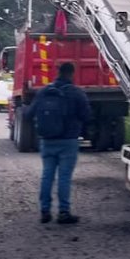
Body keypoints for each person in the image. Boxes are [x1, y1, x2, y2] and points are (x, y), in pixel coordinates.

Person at [27, 62, 92, 224]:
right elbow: (87, 116)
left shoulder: (44, 92)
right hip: (68, 141)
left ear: (58, 72)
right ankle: (63, 212)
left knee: (47, 175)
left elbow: (29, 114)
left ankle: (45, 211)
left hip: (47, 140)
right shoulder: (77, 93)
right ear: (72, 73)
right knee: (64, 177)